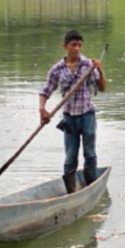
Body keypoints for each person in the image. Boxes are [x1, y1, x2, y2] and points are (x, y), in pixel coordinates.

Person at [39, 30, 107, 193]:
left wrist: (100, 70)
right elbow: (45, 91)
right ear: (65, 46)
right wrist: (42, 109)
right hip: (69, 119)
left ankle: (91, 187)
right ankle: (71, 192)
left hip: (87, 116)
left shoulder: (89, 65)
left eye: (79, 45)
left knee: (90, 154)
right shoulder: (57, 69)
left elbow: (103, 88)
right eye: (73, 45)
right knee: (70, 157)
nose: (77, 48)